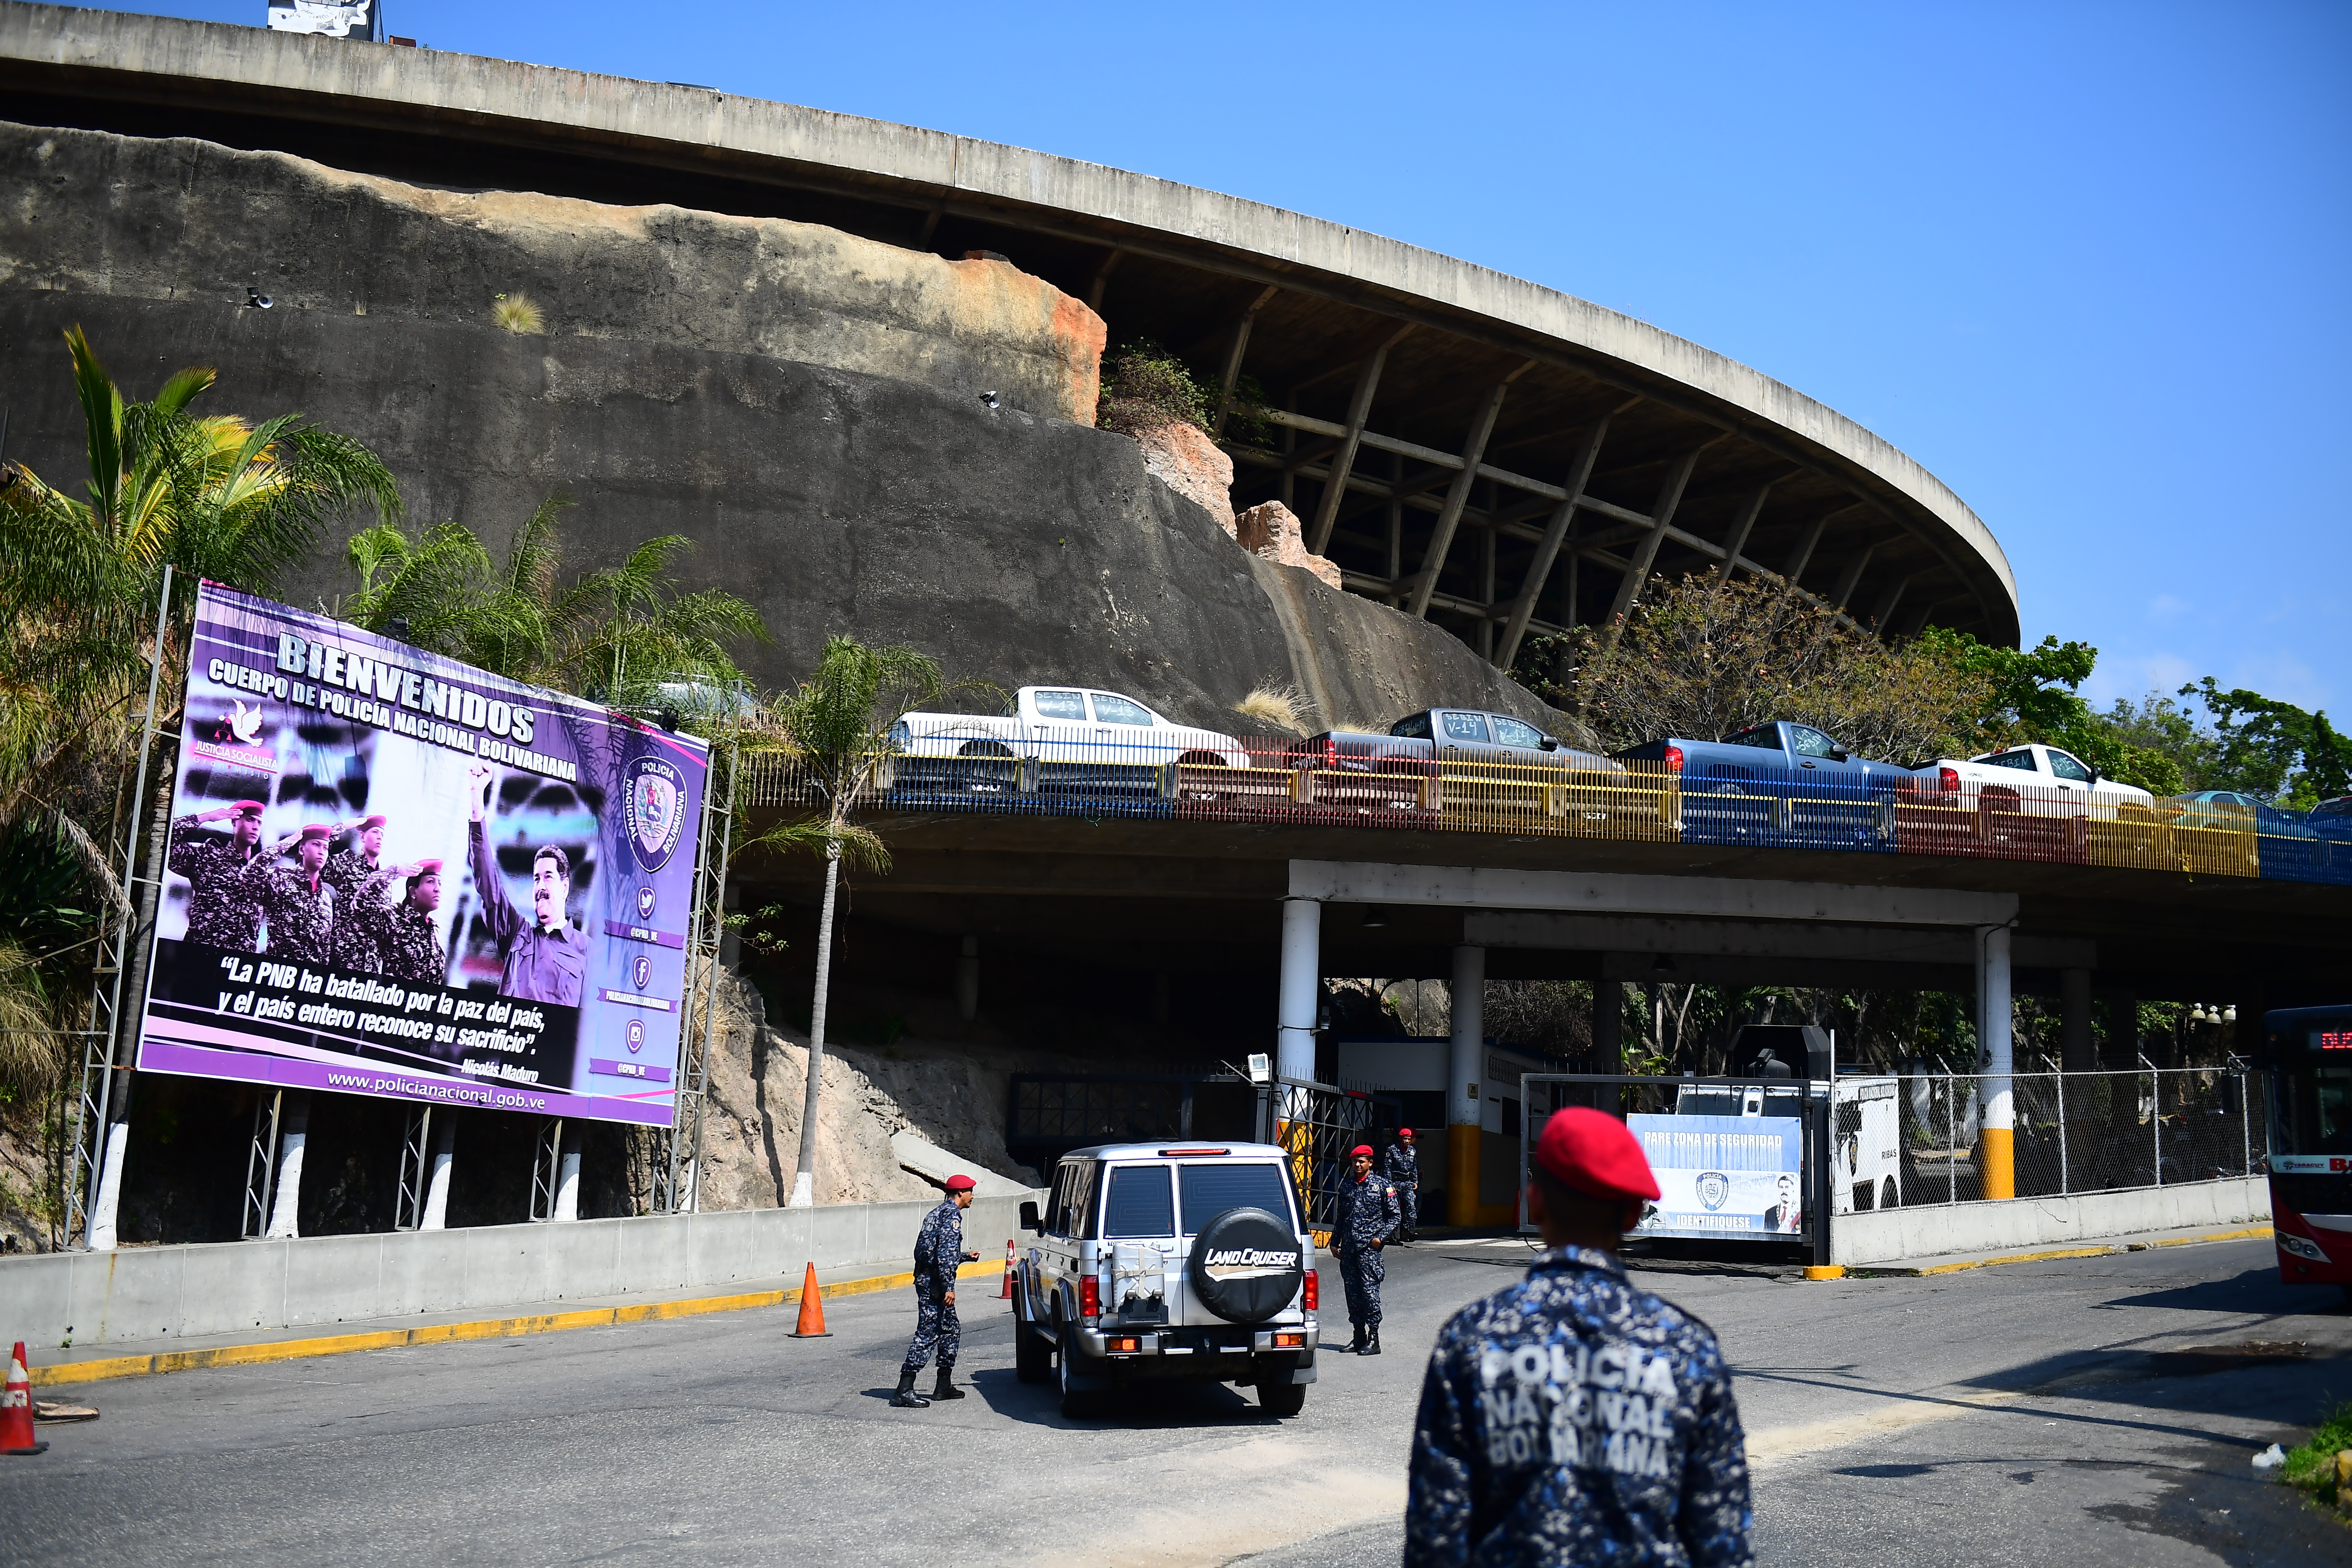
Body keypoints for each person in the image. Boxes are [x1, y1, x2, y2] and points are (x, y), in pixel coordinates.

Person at [1405, 1107, 1752, 1568]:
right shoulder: (1686, 1348)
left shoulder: (1471, 1339)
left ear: (1536, 1201)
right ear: (1632, 1215)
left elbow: (1436, 1539)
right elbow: (1723, 1546)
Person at [466, 762, 588, 1005]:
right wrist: (477, 797)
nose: (541, 886)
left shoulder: (587, 950)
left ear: (565, 887)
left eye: (549, 877)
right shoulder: (517, 934)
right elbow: (488, 881)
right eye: (536, 879)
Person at [893, 1173, 982, 1408]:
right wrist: (948, 1288)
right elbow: (943, 1256)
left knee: (951, 1329)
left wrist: (964, 1257)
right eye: (970, 1191)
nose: (973, 1196)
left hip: (929, 1279)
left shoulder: (938, 1213)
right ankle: (904, 1389)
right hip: (935, 1285)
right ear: (960, 1193)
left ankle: (944, 1384)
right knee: (928, 1332)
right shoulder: (952, 1216)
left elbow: (936, 1252)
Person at [166, 800, 270, 950]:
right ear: (235, 822)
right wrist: (206, 817)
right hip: (202, 953)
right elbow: (164, 839)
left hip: (238, 964)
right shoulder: (209, 857)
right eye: (250, 820)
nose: (255, 827)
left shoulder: (259, 875)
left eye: (260, 823)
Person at [1332, 1143, 1401, 1356]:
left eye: (1362, 1161)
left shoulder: (1382, 1186)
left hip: (1369, 1251)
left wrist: (1381, 1238)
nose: (1357, 1164)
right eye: (1355, 1161)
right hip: (1350, 1250)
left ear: (1370, 1163)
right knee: (1352, 1294)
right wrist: (1335, 1241)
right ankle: (1358, 1336)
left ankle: (1374, 1338)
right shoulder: (1348, 1186)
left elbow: (1395, 1216)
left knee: (1370, 1294)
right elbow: (1342, 1217)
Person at [255, 823, 339, 966]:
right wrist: (287, 843)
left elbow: (324, 947)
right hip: (278, 970)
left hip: (308, 979)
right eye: (316, 845)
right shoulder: (281, 877)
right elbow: (249, 875)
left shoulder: (326, 896)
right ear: (302, 849)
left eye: (325, 848)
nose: (321, 852)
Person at [321, 814, 394, 970]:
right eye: (375, 832)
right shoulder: (349, 863)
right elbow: (320, 860)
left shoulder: (385, 879)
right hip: (343, 956)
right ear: (362, 836)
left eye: (382, 834)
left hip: (371, 964)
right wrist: (342, 827)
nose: (380, 837)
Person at [376, 858, 449, 985]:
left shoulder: (433, 930)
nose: (438, 889)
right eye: (431, 882)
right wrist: (394, 871)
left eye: (440, 884)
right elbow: (361, 905)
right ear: (413, 892)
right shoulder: (397, 918)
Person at [1385, 1127, 1423, 1244]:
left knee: (1411, 1207)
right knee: (1394, 1209)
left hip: (1407, 1183)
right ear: (1400, 1139)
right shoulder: (1392, 1150)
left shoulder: (1412, 1151)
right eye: (1405, 1139)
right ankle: (1392, 1236)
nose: (1407, 1141)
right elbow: (1387, 1169)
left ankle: (1409, 1232)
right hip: (1395, 1183)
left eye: (1409, 1139)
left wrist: (1415, 1182)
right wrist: (1389, 1185)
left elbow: (1414, 1168)